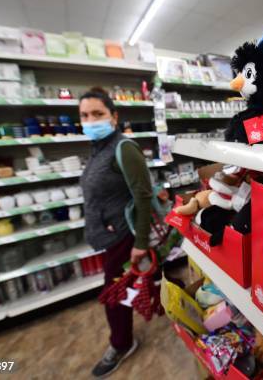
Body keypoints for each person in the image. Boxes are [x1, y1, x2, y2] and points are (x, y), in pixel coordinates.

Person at [78, 87, 153, 378]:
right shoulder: (98, 149)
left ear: (114, 116)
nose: (90, 120)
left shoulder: (125, 148)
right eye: (85, 115)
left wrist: (141, 242)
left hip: (125, 237)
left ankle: (122, 344)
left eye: (98, 114)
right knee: (129, 289)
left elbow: (143, 195)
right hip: (109, 235)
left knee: (114, 295)